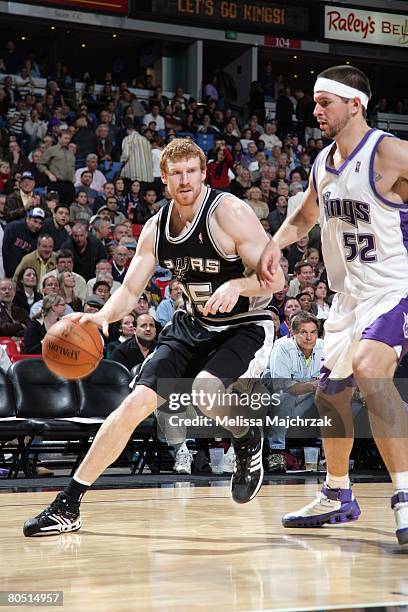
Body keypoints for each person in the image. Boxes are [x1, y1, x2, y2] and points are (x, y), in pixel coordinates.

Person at [23, 137, 284, 536]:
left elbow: (276, 278)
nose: (184, 180)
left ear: (202, 174)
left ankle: (247, 437)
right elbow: (129, 292)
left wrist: (238, 286)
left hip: (245, 323)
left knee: (205, 392)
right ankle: (68, 504)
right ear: (164, 179)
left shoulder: (229, 212)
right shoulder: (155, 228)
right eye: (176, 173)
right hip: (193, 323)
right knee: (132, 406)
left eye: (191, 172)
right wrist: (100, 318)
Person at [257, 65, 408, 545]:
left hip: (394, 286)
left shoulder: (388, 151)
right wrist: (271, 246)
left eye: (325, 102)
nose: (315, 110)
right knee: (329, 394)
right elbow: (305, 213)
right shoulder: (324, 161)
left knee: (370, 368)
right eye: (315, 102)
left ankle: (405, 495)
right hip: (348, 297)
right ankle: (337, 493)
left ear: (355, 104)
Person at [263, 311, 323, 472]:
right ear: (293, 333)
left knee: (333, 395)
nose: (309, 337)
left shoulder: (322, 346)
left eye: (313, 332)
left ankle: (327, 453)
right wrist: (316, 384)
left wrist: (318, 385)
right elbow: (284, 387)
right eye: (303, 332)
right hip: (272, 402)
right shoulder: (282, 347)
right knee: (287, 395)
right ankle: (276, 452)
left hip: (306, 397)